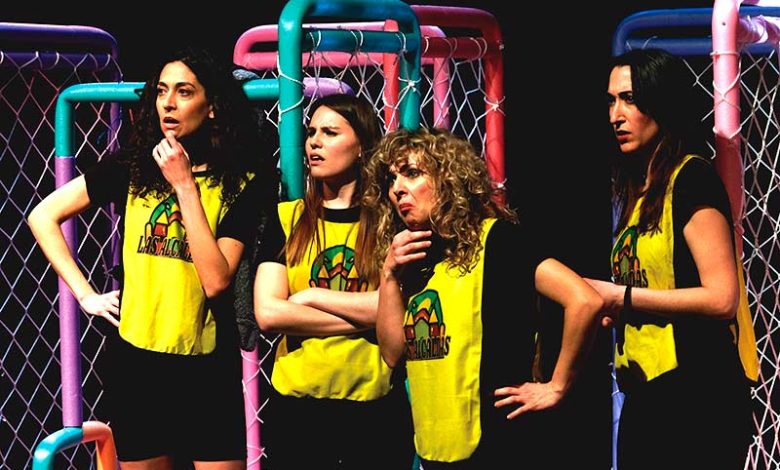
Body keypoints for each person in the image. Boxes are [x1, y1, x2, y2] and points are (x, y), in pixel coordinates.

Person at [27, 46, 278, 469]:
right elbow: (43, 215)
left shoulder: (243, 182)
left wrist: (184, 186)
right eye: (162, 91)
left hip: (205, 369)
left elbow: (216, 280)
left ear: (212, 107)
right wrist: (86, 295)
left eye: (184, 92)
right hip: (136, 365)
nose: (168, 103)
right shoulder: (134, 166)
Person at [364, 126, 605, 468]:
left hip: (498, 446)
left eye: (412, 173)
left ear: (449, 179)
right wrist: (389, 275)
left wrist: (556, 386)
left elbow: (585, 300)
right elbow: (392, 354)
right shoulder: (416, 261)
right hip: (435, 450)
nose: (397, 188)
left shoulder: (498, 241)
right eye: (391, 179)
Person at [586, 48, 757, 470]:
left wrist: (622, 297)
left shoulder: (691, 179)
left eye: (629, 99)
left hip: (698, 395)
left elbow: (721, 297)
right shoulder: (638, 188)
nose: (616, 115)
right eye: (611, 101)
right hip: (649, 388)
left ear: (661, 103)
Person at [252, 93, 414, 469]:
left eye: (330, 132)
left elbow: (400, 307)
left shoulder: (390, 221)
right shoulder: (287, 218)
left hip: (372, 407)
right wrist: (372, 316)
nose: (315, 142)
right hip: (298, 408)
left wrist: (311, 296)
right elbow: (269, 314)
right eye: (311, 133)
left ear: (361, 148)